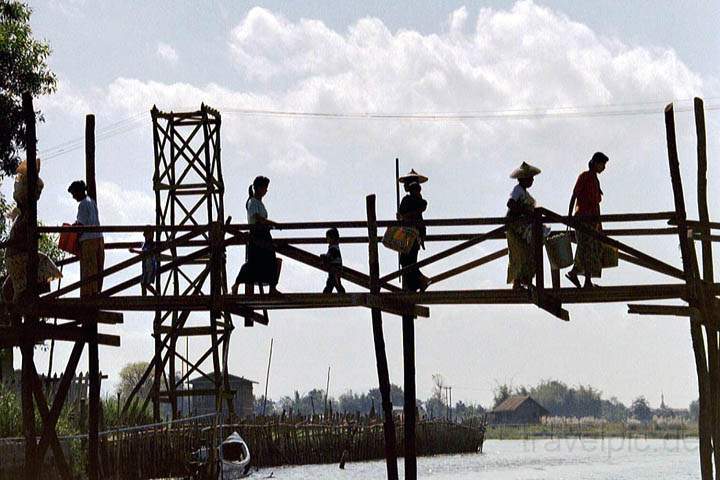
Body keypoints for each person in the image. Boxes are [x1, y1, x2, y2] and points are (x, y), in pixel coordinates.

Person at [3, 158, 62, 302]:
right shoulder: (25, 214)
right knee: (42, 261)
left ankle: (27, 296)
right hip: (17, 256)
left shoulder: (23, 214)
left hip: (14, 255)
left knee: (11, 289)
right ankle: (32, 293)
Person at [566, 152, 610, 288]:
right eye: (602, 164)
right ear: (596, 163)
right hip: (583, 218)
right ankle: (576, 273)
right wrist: (569, 215)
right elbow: (574, 195)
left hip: (592, 220)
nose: (604, 167)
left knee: (590, 249)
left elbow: (596, 205)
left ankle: (586, 280)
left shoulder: (595, 180)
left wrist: (599, 225)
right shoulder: (585, 176)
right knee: (585, 247)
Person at [231, 176, 280, 295]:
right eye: (264, 188)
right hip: (257, 235)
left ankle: (272, 288)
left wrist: (270, 225)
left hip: (264, 234)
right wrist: (272, 224)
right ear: (258, 188)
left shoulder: (259, 203)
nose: (266, 191)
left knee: (272, 261)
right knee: (254, 263)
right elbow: (258, 219)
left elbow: (262, 219)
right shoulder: (252, 202)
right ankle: (237, 284)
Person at [506, 161, 548, 290]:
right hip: (516, 226)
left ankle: (526, 279)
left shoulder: (524, 192)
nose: (532, 180)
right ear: (523, 179)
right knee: (519, 254)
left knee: (529, 252)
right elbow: (511, 204)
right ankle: (518, 282)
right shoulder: (518, 190)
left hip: (524, 226)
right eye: (530, 178)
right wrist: (525, 211)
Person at [68, 180, 104, 297]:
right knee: (97, 267)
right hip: (98, 238)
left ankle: (88, 294)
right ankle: (96, 292)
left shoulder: (83, 204)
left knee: (88, 269)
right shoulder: (92, 202)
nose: (73, 197)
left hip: (88, 240)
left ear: (79, 191)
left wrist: (72, 234)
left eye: (74, 194)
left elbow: (81, 225)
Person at [397, 179, 429, 292]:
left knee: (407, 262)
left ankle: (419, 282)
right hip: (412, 235)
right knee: (408, 261)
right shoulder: (418, 202)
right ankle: (415, 284)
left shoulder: (410, 201)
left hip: (411, 235)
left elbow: (403, 212)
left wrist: (402, 217)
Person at [129, 227, 159, 295]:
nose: (145, 236)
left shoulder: (151, 244)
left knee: (145, 284)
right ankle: (148, 297)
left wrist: (134, 251)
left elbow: (145, 253)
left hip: (150, 266)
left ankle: (156, 295)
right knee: (143, 283)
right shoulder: (147, 244)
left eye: (147, 234)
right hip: (146, 266)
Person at [320, 227, 345, 293]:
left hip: (334, 269)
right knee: (334, 282)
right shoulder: (334, 248)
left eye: (328, 238)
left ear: (332, 238)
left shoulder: (333, 248)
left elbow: (330, 257)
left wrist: (324, 257)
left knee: (334, 282)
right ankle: (338, 293)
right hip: (335, 269)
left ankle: (327, 294)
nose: (327, 240)